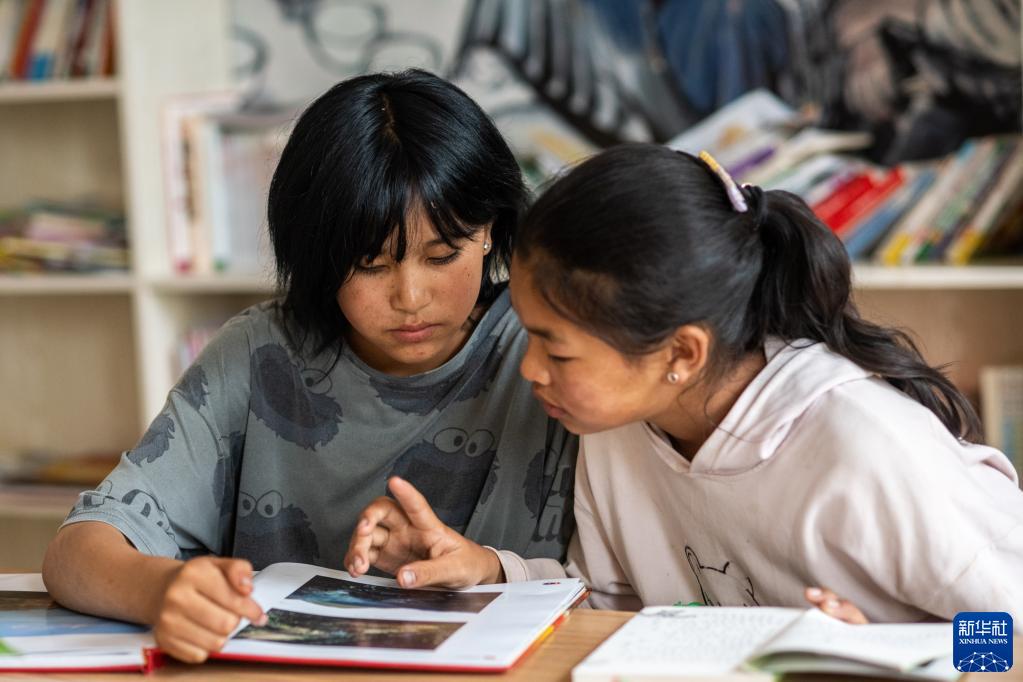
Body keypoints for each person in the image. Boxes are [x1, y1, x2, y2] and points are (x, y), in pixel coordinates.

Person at [346, 144, 1023, 623]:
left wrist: (897, 660)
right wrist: (486, 570)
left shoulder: (863, 448)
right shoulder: (619, 427)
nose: (528, 370)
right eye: (529, 335)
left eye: (557, 350)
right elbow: (609, 603)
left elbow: (1009, 639)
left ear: (681, 353)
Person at [41, 70, 577, 662]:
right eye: (370, 264)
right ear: (318, 255)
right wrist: (160, 590)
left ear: (491, 231)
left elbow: (620, 583)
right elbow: (75, 553)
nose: (411, 297)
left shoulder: (552, 351)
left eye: (443, 255)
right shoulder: (258, 354)